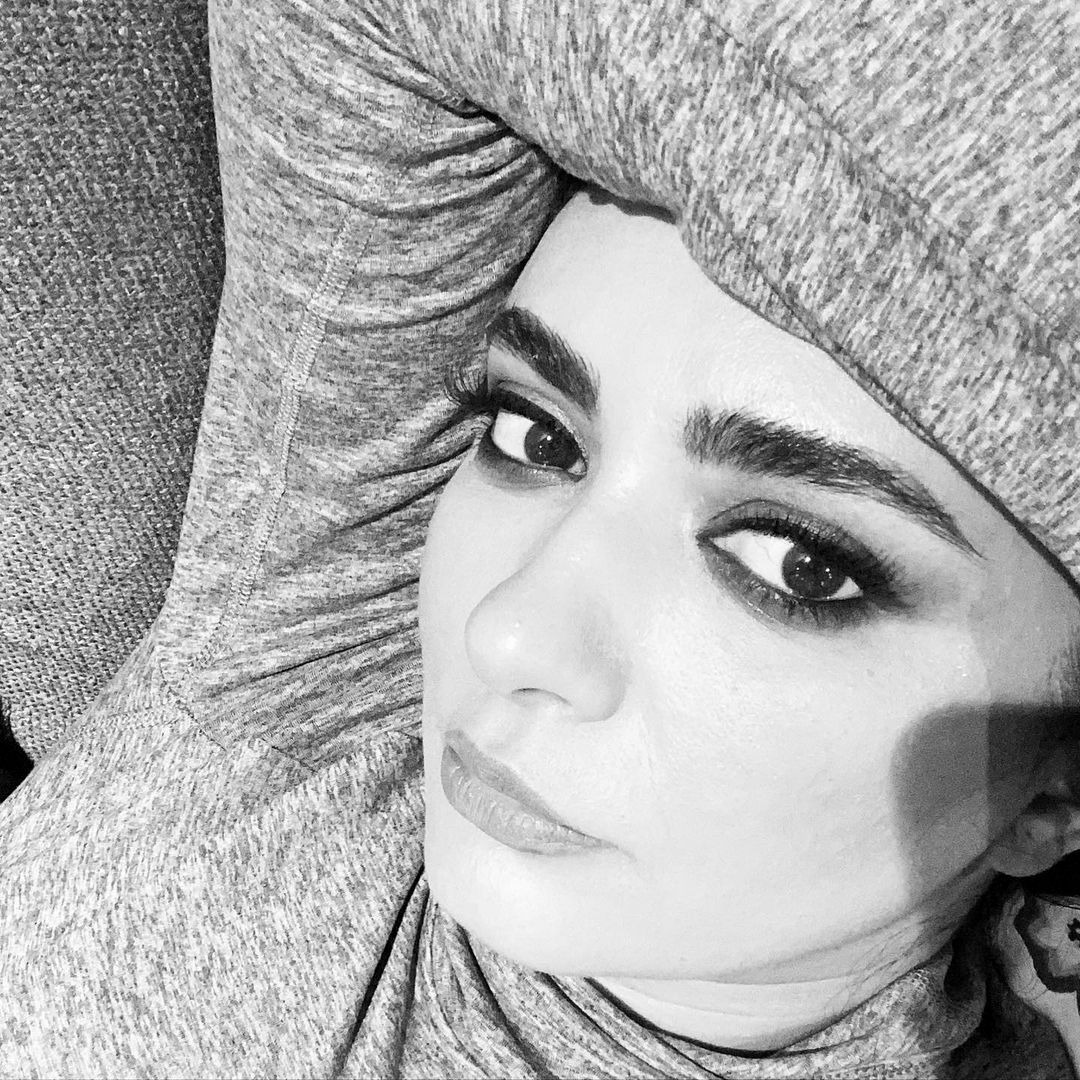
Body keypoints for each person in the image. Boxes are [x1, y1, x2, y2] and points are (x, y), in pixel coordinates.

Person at [0, 0, 1078, 1076]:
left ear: (1058, 792)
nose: (505, 632)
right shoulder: (320, 657)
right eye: (534, 435)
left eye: (796, 564)